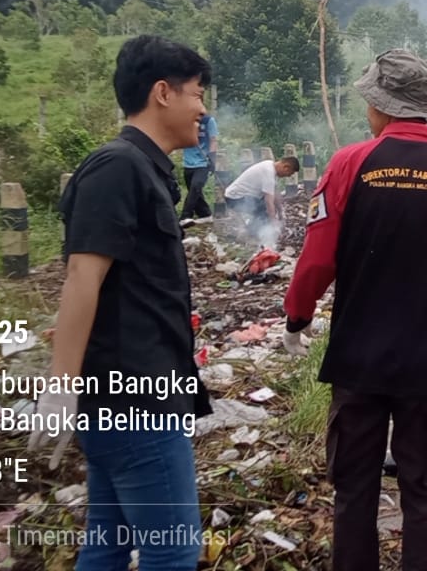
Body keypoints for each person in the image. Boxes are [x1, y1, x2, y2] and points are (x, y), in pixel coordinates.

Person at [282, 50, 427, 571]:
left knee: (354, 489)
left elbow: (317, 258)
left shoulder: (348, 165)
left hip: (357, 362)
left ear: (379, 106)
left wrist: (296, 318)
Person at [31, 35, 213, 571]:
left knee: (107, 544)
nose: (203, 108)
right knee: (174, 551)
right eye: (197, 93)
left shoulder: (146, 169)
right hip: (133, 400)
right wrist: (61, 386)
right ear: (163, 93)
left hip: (135, 393)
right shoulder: (118, 168)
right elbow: (82, 276)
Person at [224, 156, 300, 240]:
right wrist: (274, 222)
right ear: (286, 167)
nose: (288, 176)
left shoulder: (270, 165)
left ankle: (251, 229)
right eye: (290, 173)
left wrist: (280, 212)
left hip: (241, 196)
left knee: (268, 209)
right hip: (234, 198)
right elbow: (269, 201)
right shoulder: (268, 173)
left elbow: (275, 193)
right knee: (266, 211)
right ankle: (253, 234)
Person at [180, 112, 217, 222]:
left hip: (203, 162)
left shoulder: (208, 121)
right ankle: (205, 214)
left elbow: (213, 140)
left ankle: (185, 216)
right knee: (194, 191)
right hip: (188, 162)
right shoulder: (184, 120)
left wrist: (212, 158)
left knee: (196, 187)